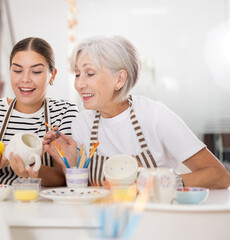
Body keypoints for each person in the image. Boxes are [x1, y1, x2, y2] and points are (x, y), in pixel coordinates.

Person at [44, 36, 230, 189]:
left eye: (89, 74)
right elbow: (87, 191)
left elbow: (219, 175)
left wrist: (159, 182)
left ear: (120, 79)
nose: (79, 84)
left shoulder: (155, 115)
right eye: (77, 74)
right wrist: (71, 163)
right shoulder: (82, 123)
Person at [0, 37, 79, 186]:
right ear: (10, 71)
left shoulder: (65, 112)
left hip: (46, 205)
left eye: (36, 71)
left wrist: (33, 169)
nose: (25, 79)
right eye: (17, 70)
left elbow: (64, 178)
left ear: (52, 75)